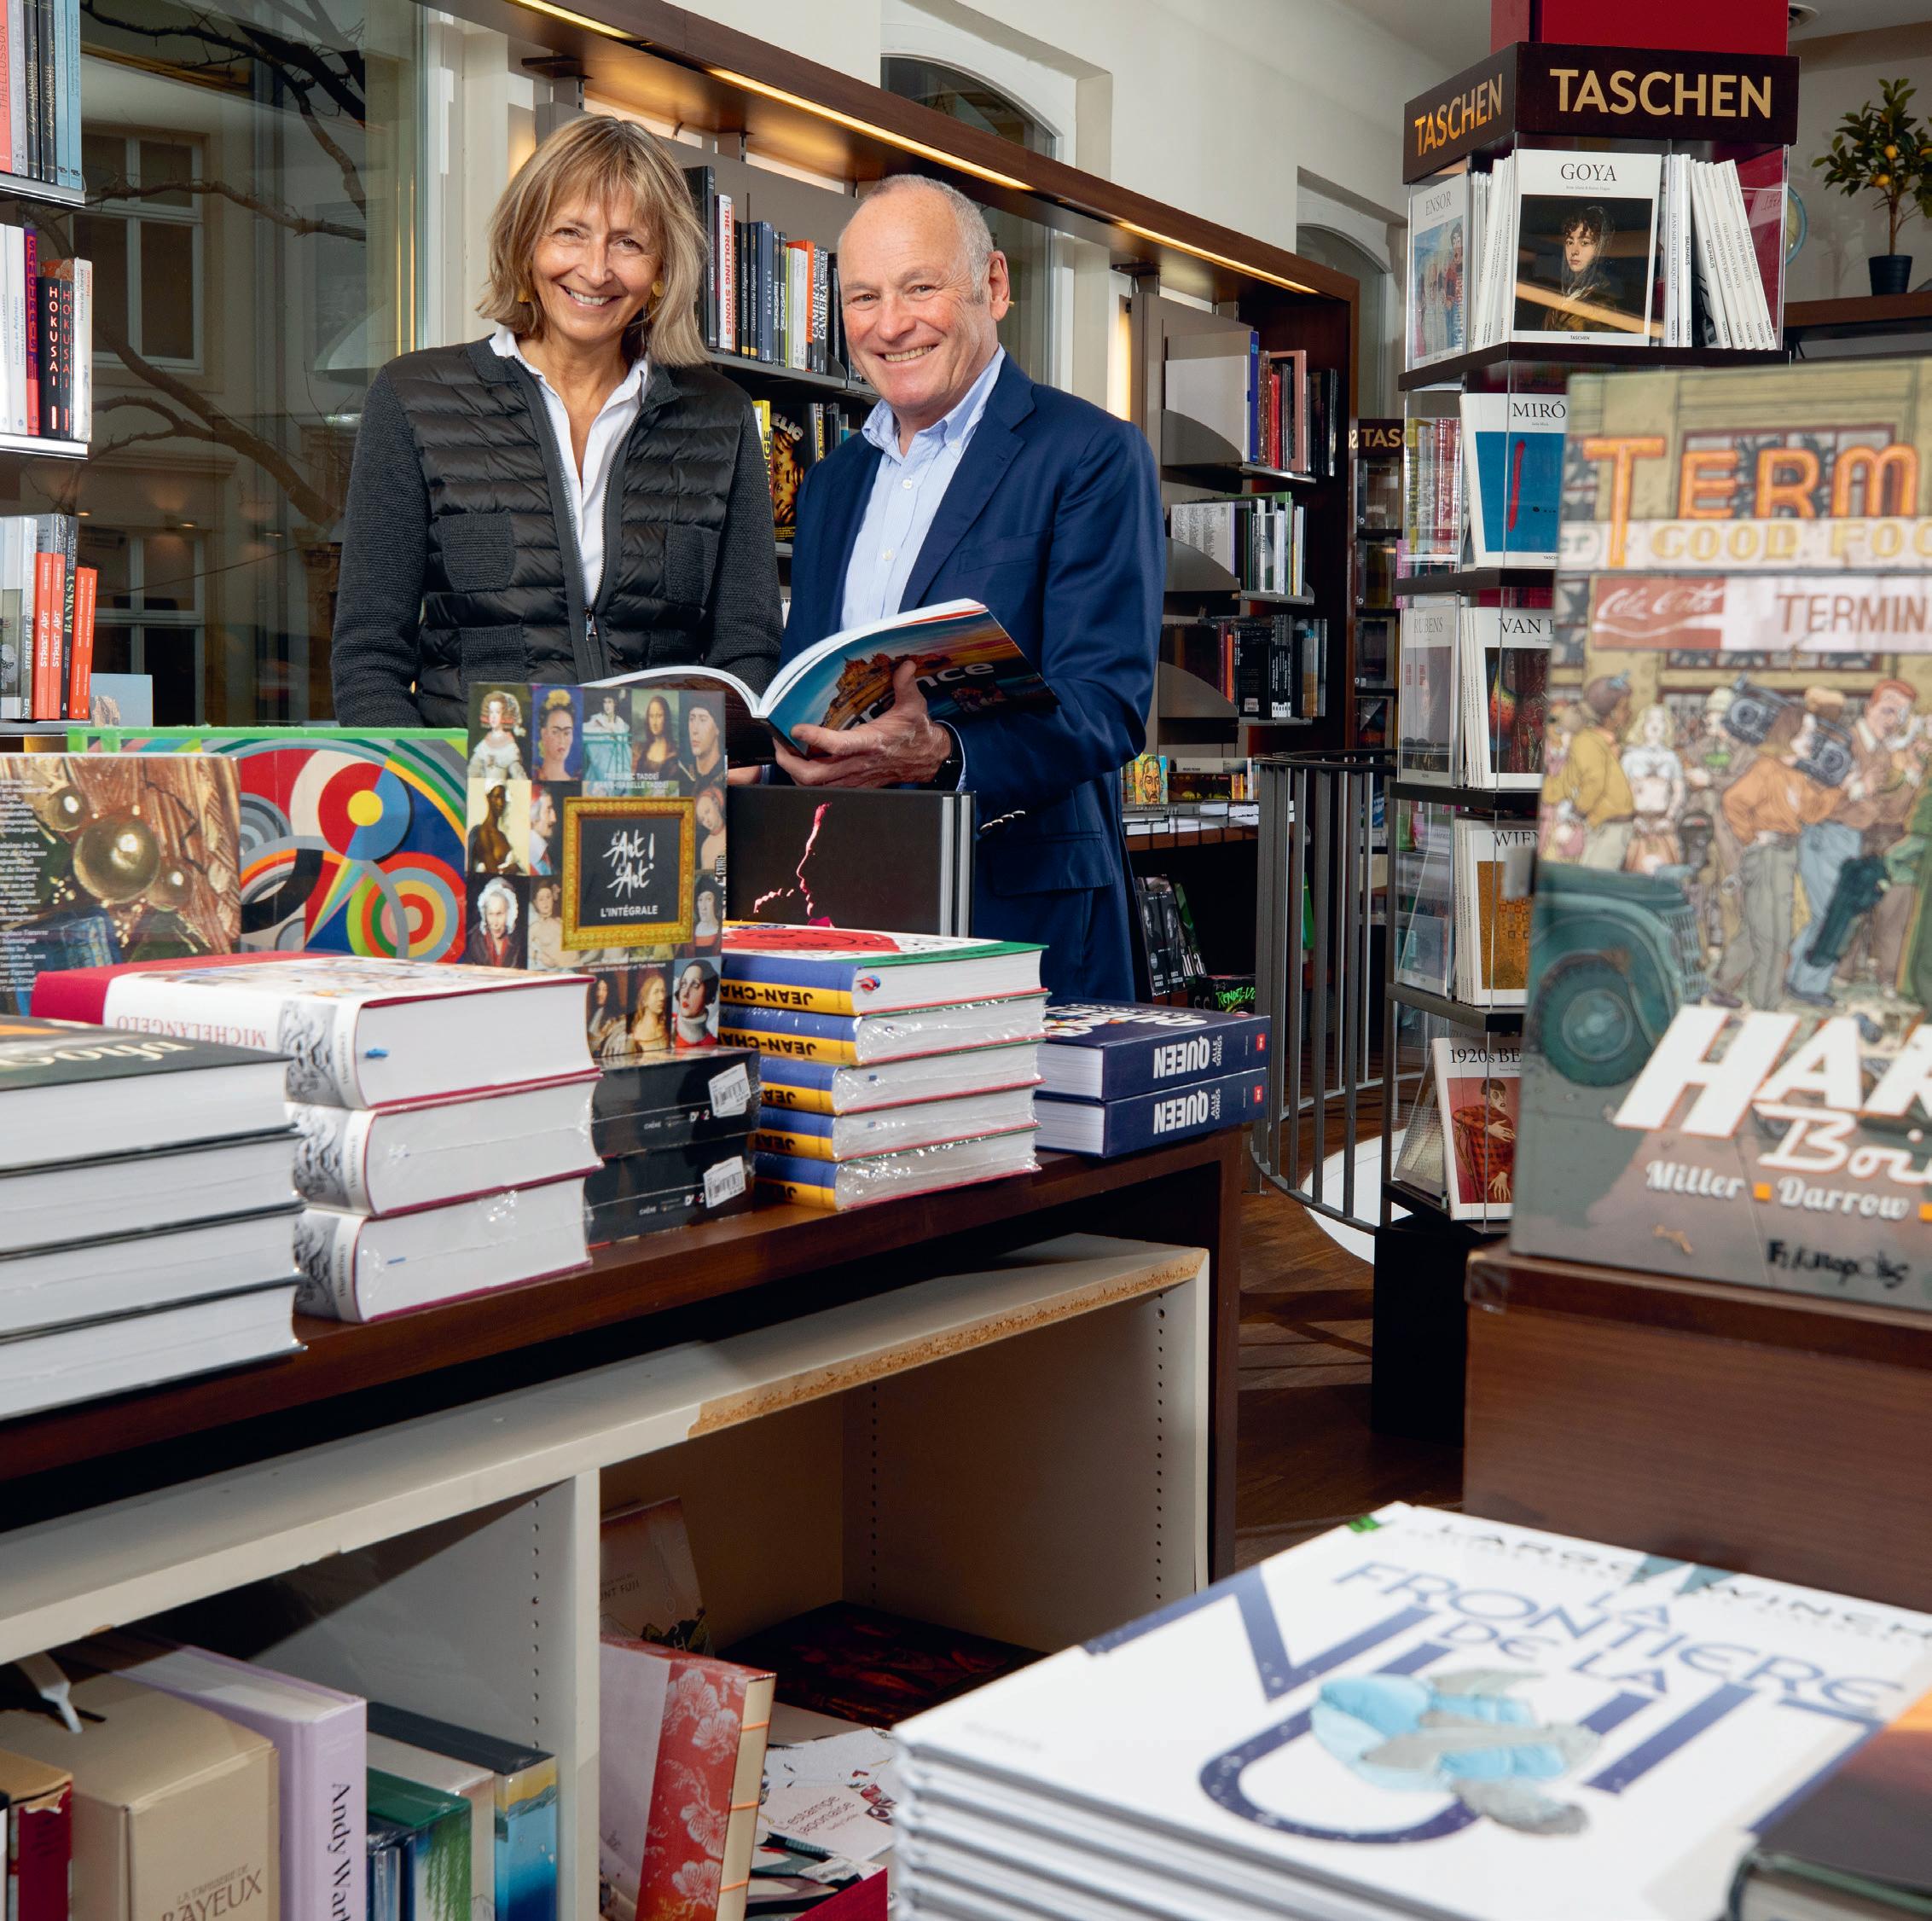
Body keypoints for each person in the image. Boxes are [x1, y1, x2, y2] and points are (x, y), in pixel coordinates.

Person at [781, 176, 1161, 1003]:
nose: (890, 324)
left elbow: (1107, 705)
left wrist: (947, 753)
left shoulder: (1091, 454)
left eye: (920, 288)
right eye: (863, 298)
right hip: (849, 900)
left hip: (1019, 912)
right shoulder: (830, 484)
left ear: (992, 284)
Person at [331, 115, 782, 726]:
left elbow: (748, 646)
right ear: (525, 245)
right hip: (475, 777)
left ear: (661, 271)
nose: (596, 270)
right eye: (570, 233)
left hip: (657, 774)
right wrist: (431, 777)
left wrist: (727, 748)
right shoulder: (413, 398)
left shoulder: (719, 414)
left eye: (628, 243)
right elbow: (369, 661)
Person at [1787, 680, 1915, 1007]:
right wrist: (1856, 789)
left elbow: (1887, 807)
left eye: (1900, 715)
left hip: (1850, 837)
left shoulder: (1885, 752)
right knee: (1831, 914)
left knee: (1831, 913)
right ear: (1869, 708)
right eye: (1888, 710)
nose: (1893, 720)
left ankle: (1795, 975)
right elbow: (1811, 794)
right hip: (1826, 833)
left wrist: (1907, 780)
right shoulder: (1841, 740)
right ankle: (1808, 985)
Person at [1714, 700, 1834, 1010]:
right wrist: (1751, 835)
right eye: (1805, 733)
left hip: (1785, 855)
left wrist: (1840, 788)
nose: (1812, 741)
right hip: (1768, 857)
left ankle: (1722, 985)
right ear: (1787, 735)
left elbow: (1811, 812)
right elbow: (1733, 801)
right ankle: (1766, 1004)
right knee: (1774, 934)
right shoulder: (1767, 768)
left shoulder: (1795, 774)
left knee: (1757, 927)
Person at [1543, 676, 1636, 869]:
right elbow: (1566, 783)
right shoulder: (1583, 743)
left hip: (1611, 824)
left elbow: (1593, 783)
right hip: (1602, 824)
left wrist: (1573, 819)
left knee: (1595, 876)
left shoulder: (1585, 743)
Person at [1542, 205, 1618, 333]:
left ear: (1600, 248)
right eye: (1570, 242)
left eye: (1584, 243)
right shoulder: (1565, 294)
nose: (1574, 251)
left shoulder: (1602, 302)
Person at [582, 691, 632, 792]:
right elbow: (584, 729)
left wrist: (612, 732)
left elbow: (622, 740)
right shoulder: (597, 719)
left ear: (614, 704)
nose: (607, 705)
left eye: (610, 702)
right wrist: (603, 730)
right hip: (602, 756)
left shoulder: (619, 721)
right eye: (605, 702)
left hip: (618, 756)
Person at [466, 878, 520, 966]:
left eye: (499, 914)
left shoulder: (520, 941)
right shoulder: (473, 941)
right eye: (490, 914)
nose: (495, 923)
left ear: (510, 914)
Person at [471, 783, 519, 874]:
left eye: (503, 797)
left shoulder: (502, 835)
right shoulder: (484, 833)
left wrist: (515, 867)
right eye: (497, 797)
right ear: (488, 798)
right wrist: (511, 868)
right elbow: (493, 873)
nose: (501, 803)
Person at [673, 959, 718, 1048]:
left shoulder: (712, 1044)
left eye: (695, 985)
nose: (685, 993)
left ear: (708, 992)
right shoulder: (663, 1024)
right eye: (683, 984)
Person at [536, 690, 580, 781]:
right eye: (555, 732)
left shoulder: (575, 781)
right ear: (544, 734)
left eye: (567, 733)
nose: (562, 740)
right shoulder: (534, 776)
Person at [680, 699, 724, 789]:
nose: (694, 730)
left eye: (703, 720)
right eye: (692, 719)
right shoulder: (682, 772)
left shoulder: (724, 774)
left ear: (718, 728)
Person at [634, 693, 677, 781]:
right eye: (651, 716)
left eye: (659, 716)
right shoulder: (643, 749)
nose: (654, 722)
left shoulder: (673, 754)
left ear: (666, 718)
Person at [629, 968, 671, 1051]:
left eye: (663, 991)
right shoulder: (639, 1033)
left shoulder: (663, 1028)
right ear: (644, 1000)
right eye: (656, 992)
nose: (662, 997)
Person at [528, 879, 564, 969]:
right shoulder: (535, 926)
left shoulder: (560, 921)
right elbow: (524, 947)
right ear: (535, 903)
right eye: (541, 899)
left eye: (548, 897)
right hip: (548, 970)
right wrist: (540, 956)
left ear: (553, 899)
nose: (545, 902)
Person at [587, 973, 626, 1054]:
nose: (599, 994)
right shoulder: (596, 1012)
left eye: (604, 989)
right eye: (598, 989)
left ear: (611, 992)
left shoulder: (616, 1018)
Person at [695, 785, 727, 874]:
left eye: (707, 812)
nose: (707, 821)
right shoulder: (706, 845)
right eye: (702, 819)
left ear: (716, 803)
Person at [530, 786, 558, 875]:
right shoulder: (529, 859)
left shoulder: (545, 852)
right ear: (533, 817)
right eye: (548, 810)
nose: (554, 819)